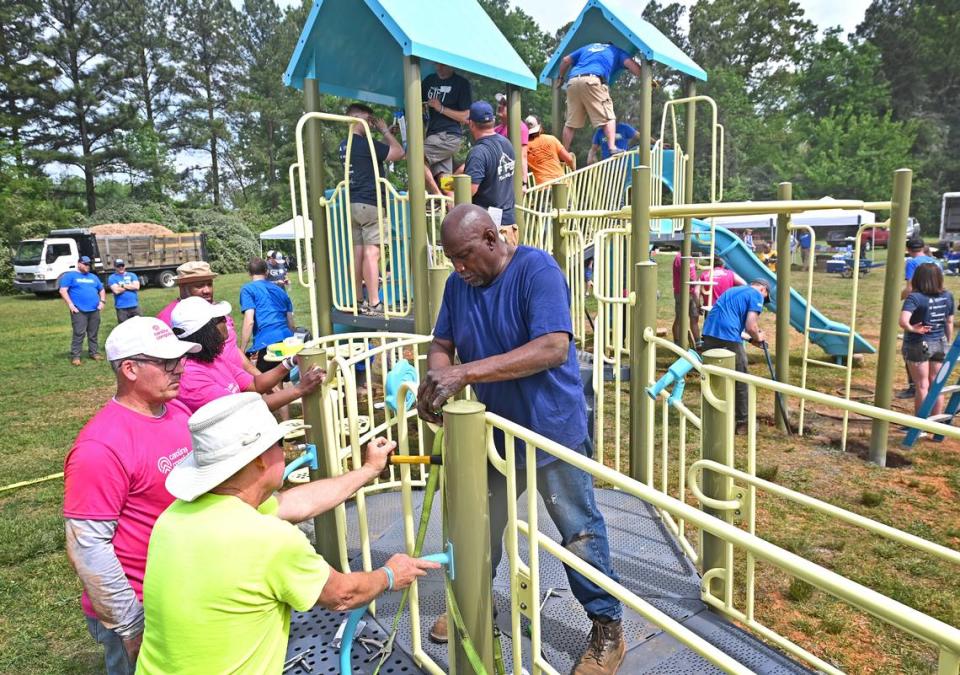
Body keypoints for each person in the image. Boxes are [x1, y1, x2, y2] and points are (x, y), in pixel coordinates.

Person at [417, 204, 625, 674]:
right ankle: (474, 604)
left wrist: (463, 373)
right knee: (479, 524)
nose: (460, 268)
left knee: (579, 530)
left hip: (551, 429)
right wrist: (436, 378)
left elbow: (553, 346)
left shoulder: (537, 268)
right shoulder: (458, 286)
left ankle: (608, 629)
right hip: (493, 433)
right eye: (452, 258)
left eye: (466, 255)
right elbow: (441, 344)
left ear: (492, 239)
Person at [136, 393, 439, 674]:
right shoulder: (267, 539)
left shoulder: (173, 519)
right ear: (258, 459)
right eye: (278, 445)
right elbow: (343, 595)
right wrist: (389, 574)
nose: (284, 452)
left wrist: (369, 470)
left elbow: (299, 502)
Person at [63, 317, 201, 674]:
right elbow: (88, 546)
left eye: (181, 359)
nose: (180, 369)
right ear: (130, 369)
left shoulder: (176, 411)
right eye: (168, 362)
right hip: (141, 606)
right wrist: (130, 624)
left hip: (181, 588)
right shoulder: (100, 447)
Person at [171, 297, 323, 413]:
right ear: (207, 330)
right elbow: (245, 412)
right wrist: (300, 389)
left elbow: (255, 384)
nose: (228, 323)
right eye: (221, 319)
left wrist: (291, 361)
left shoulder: (213, 358)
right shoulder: (191, 376)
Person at [339, 102, 405, 314]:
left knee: (357, 252)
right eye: (369, 121)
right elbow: (398, 152)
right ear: (358, 119)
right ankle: (375, 302)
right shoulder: (366, 143)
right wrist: (385, 131)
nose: (371, 124)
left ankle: (358, 299)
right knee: (372, 253)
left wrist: (382, 135)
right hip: (370, 202)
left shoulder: (344, 144)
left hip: (352, 204)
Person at [157, 261, 259, 377]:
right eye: (199, 286)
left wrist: (257, 375)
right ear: (182, 287)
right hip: (210, 388)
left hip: (240, 382)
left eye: (209, 284)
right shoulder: (168, 319)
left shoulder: (218, 310)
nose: (207, 290)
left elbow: (232, 348)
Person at [701, 279, 771, 431]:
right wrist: (759, 336)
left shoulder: (732, 291)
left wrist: (752, 340)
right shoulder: (756, 294)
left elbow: (731, 322)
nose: (763, 302)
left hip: (709, 334)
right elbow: (751, 325)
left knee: (714, 378)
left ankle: (714, 419)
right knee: (741, 378)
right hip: (728, 337)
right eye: (765, 298)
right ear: (763, 289)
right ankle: (743, 423)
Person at [554, 42, 641, 153]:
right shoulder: (617, 51)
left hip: (572, 82)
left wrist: (560, 78)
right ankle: (612, 147)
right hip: (593, 80)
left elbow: (565, 60)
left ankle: (563, 153)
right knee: (609, 117)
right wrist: (647, 79)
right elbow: (631, 65)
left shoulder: (587, 47)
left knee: (570, 123)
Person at [900, 263, 955, 417]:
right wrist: (946, 342)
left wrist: (913, 329)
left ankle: (919, 425)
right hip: (940, 343)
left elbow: (903, 321)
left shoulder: (914, 297)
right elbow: (949, 322)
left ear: (917, 279)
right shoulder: (947, 295)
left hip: (918, 344)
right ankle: (936, 422)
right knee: (936, 385)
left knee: (922, 385)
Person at [460, 101, 519, 246]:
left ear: (471, 124)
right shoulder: (507, 144)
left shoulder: (478, 152)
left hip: (488, 230)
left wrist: (453, 193)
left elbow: (471, 190)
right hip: (509, 226)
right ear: (492, 121)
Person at [898, 238, 941, 399]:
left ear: (908, 249)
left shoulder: (912, 262)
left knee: (911, 348)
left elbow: (909, 288)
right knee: (934, 344)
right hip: (936, 305)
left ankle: (914, 386)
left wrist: (901, 297)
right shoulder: (936, 262)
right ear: (923, 247)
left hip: (918, 306)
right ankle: (928, 385)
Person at [422, 63, 472, 195]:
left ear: (451, 64)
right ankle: (452, 205)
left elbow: (466, 117)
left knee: (415, 157)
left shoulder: (461, 83)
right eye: (436, 65)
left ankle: (437, 196)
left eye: (443, 65)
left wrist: (441, 108)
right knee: (444, 177)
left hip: (448, 136)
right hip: (433, 136)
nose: (439, 68)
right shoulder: (428, 81)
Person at [240, 257, 295, 373]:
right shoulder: (280, 291)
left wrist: (242, 350)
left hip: (267, 343)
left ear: (249, 273)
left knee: (264, 383)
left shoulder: (248, 290)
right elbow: (291, 322)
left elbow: (249, 321)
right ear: (267, 271)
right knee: (278, 380)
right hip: (286, 339)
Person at [59, 254, 106, 366]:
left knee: (93, 333)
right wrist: (70, 304)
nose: (87, 266)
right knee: (79, 333)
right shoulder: (70, 276)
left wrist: (102, 301)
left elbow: (101, 289)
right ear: (79, 263)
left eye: (89, 264)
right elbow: (63, 290)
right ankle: (76, 356)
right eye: (85, 264)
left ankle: (94, 353)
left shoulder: (93, 277)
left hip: (94, 310)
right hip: (79, 310)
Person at [525, 114, 575, 185]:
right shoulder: (551, 139)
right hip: (562, 184)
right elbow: (569, 159)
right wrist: (572, 168)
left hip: (542, 188)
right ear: (540, 127)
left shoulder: (524, 148)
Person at [494, 93, 529, 185]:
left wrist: (523, 183)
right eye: (500, 103)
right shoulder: (496, 129)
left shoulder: (519, 127)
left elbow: (522, 155)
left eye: (505, 104)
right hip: (496, 177)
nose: (500, 106)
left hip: (509, 179)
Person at [672, 252, 700, 345]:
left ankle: (698, 342)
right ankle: (677, 342)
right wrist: (699, 283)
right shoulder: (680, 257)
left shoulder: (690, 256)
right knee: (680, 318)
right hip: (681, 292)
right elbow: (686, 276)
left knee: (694, 317)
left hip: (692, 292)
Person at [108, 259, 142, 324]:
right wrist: (130, 286)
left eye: (122, 265)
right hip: (121, 308)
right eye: (118, 266)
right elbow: (116, 291)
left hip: (134, 306)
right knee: (124, 329)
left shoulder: (132, 275)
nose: (121, 267)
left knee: (139, 326)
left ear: (124, 266)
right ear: (115, 267)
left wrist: (122, 285)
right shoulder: (112, 277)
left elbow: (137, 287)